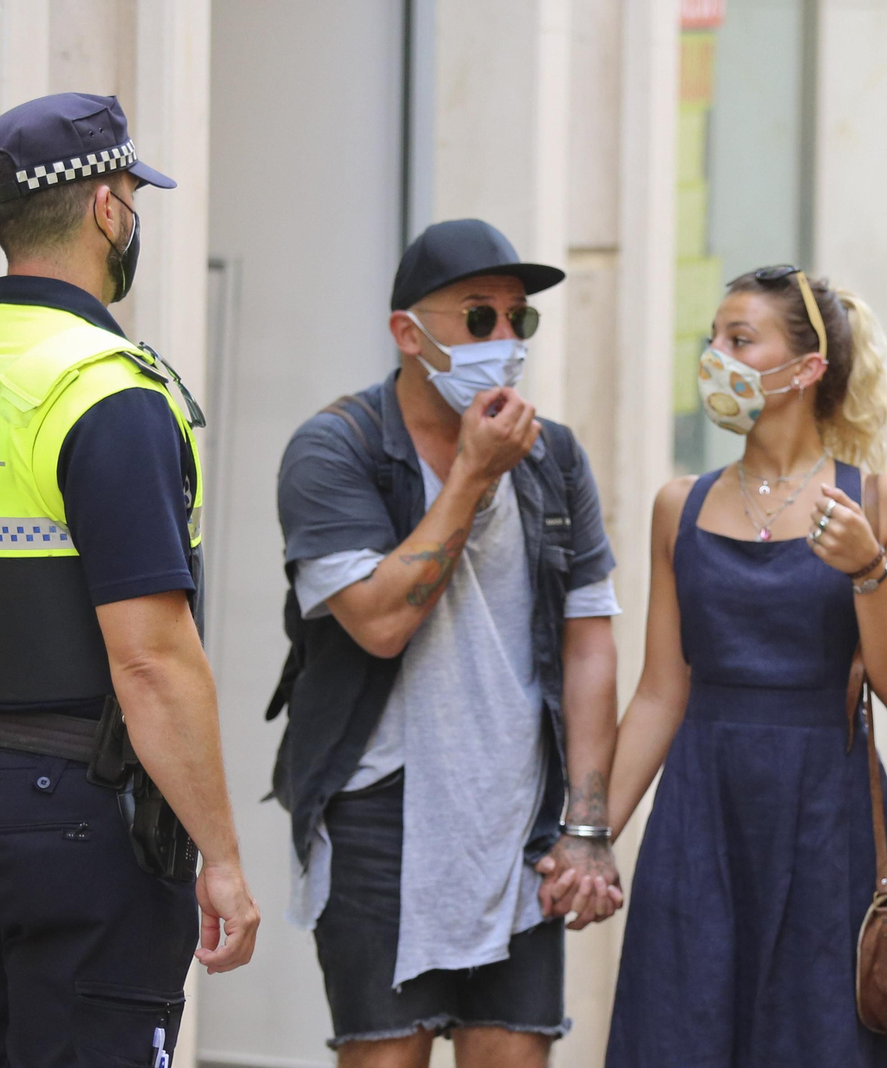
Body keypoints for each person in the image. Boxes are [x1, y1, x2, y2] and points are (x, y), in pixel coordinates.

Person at [0, 93, 259, 1066]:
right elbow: (154, 661)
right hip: (82, 816)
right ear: (108, 208)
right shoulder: (108, 393)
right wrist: (222, 858)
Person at [270, 218, 622, 1067]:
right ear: (408, 333)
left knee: (515, 1055)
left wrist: (587, 823)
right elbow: (383, 623)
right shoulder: (336, 449)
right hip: (379, 813)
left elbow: (590, 646)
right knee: (385, 1057)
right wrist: (470, 475)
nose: (504, 341)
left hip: (517, 814)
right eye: (478, 318)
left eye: (518, 320)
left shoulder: (555, 459)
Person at [602, 266, 887, 1067]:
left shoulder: (884, 502)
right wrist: (586, 838)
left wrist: (868, 571)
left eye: (739, 340)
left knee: (816, 1040)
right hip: (699, 811)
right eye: (712, 338)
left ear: (807, 368)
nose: (714, 356)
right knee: (683, 1029)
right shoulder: (679, 503)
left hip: (828, 811)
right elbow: (659, 690)